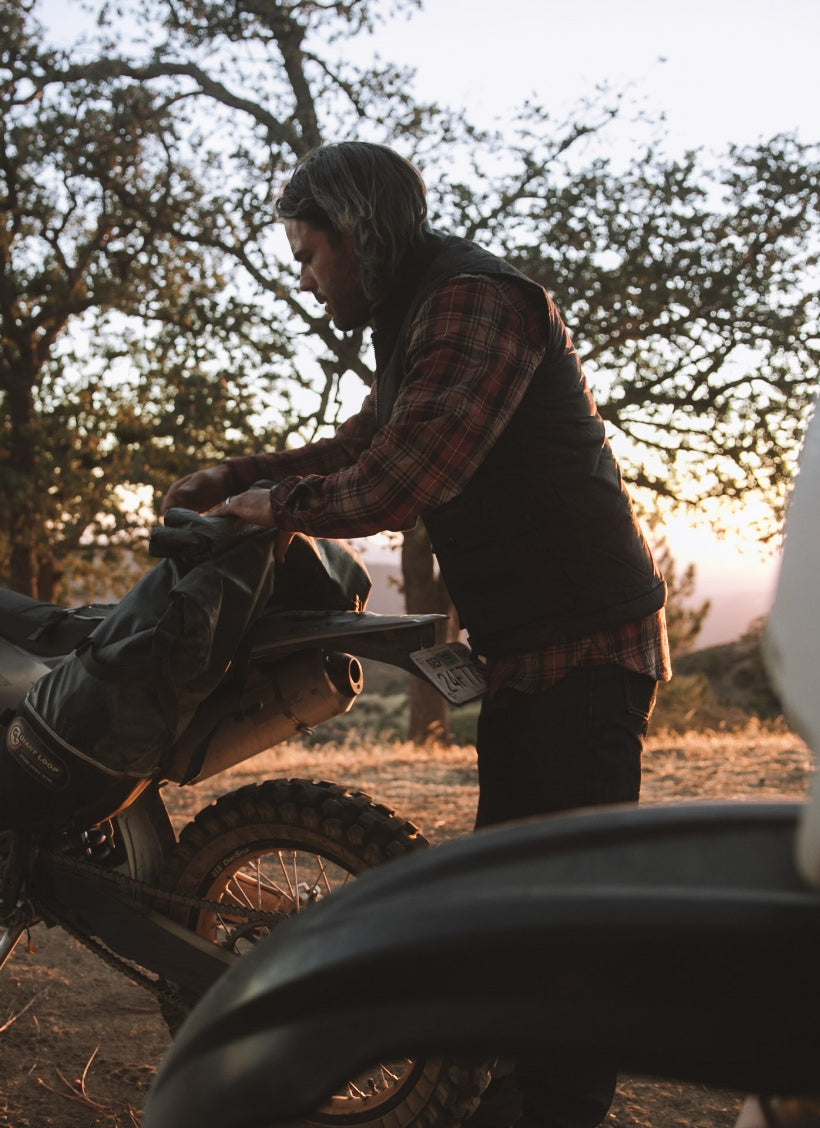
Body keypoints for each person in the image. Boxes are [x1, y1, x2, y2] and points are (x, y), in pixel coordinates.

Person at [162, 141, 671, 1128]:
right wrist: (235, 479)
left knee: (566, 902)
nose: (306, 280)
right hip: (531, 646)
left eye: (310, 255)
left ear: (359, 234)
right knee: (515, 887)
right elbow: (365, 443)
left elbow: (402, 480)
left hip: (584, 643)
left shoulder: (475, 301)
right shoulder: (419, 314)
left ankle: (554, 1106)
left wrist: (271, 506)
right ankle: (522, 1094)